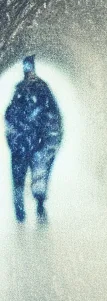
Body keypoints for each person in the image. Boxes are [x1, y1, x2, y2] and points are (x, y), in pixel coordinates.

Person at [5, 55, 62, 222]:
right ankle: (39, 205)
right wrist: (48, 141)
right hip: (37, 142)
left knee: (18, 178)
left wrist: (14, 139)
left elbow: (9, 116)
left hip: (21, 143)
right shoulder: (43, 89)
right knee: (39, 174)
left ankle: (20, 212)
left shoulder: (19, 91)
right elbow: (53, 117)